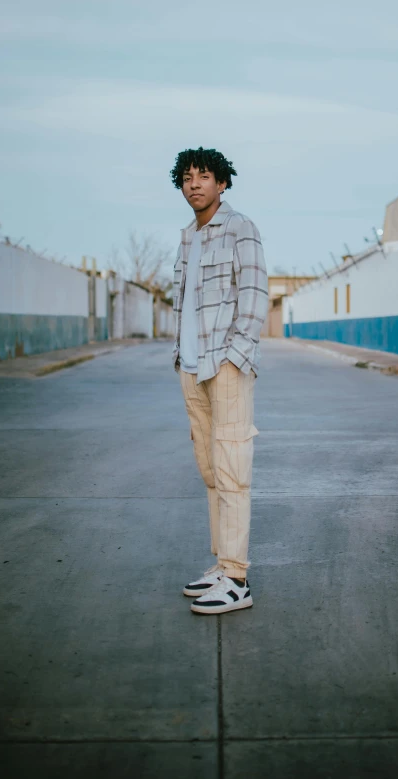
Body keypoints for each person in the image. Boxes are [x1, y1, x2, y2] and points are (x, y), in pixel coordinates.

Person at [170, 147, 268, 615]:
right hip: (191, 367)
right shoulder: (188, 237)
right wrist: (181, 358)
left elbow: (254, 296)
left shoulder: (240, 228)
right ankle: (221, 566)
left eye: (204, 176)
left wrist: (234, 358)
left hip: (224, 368)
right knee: (210, 470)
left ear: (222, 183)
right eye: (188, 177)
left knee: (231, 470)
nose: (195, 184)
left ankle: (237, 578)